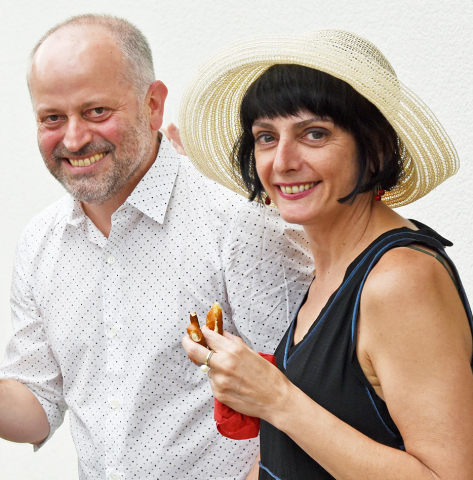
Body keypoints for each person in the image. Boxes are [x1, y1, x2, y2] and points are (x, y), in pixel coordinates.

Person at [0, 14, 314, 480]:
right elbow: (37, 406)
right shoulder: (38, 243)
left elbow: (306, 405)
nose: (74, 138)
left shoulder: (242, 225)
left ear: (153, 105)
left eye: (96, 111)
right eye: (52, 118)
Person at [181, 30, 473, 479]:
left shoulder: (401, 279)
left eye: (314, 134)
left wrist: (275, 398)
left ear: (374, 149)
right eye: (266, 137)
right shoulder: (333, 271)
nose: (282, 161)